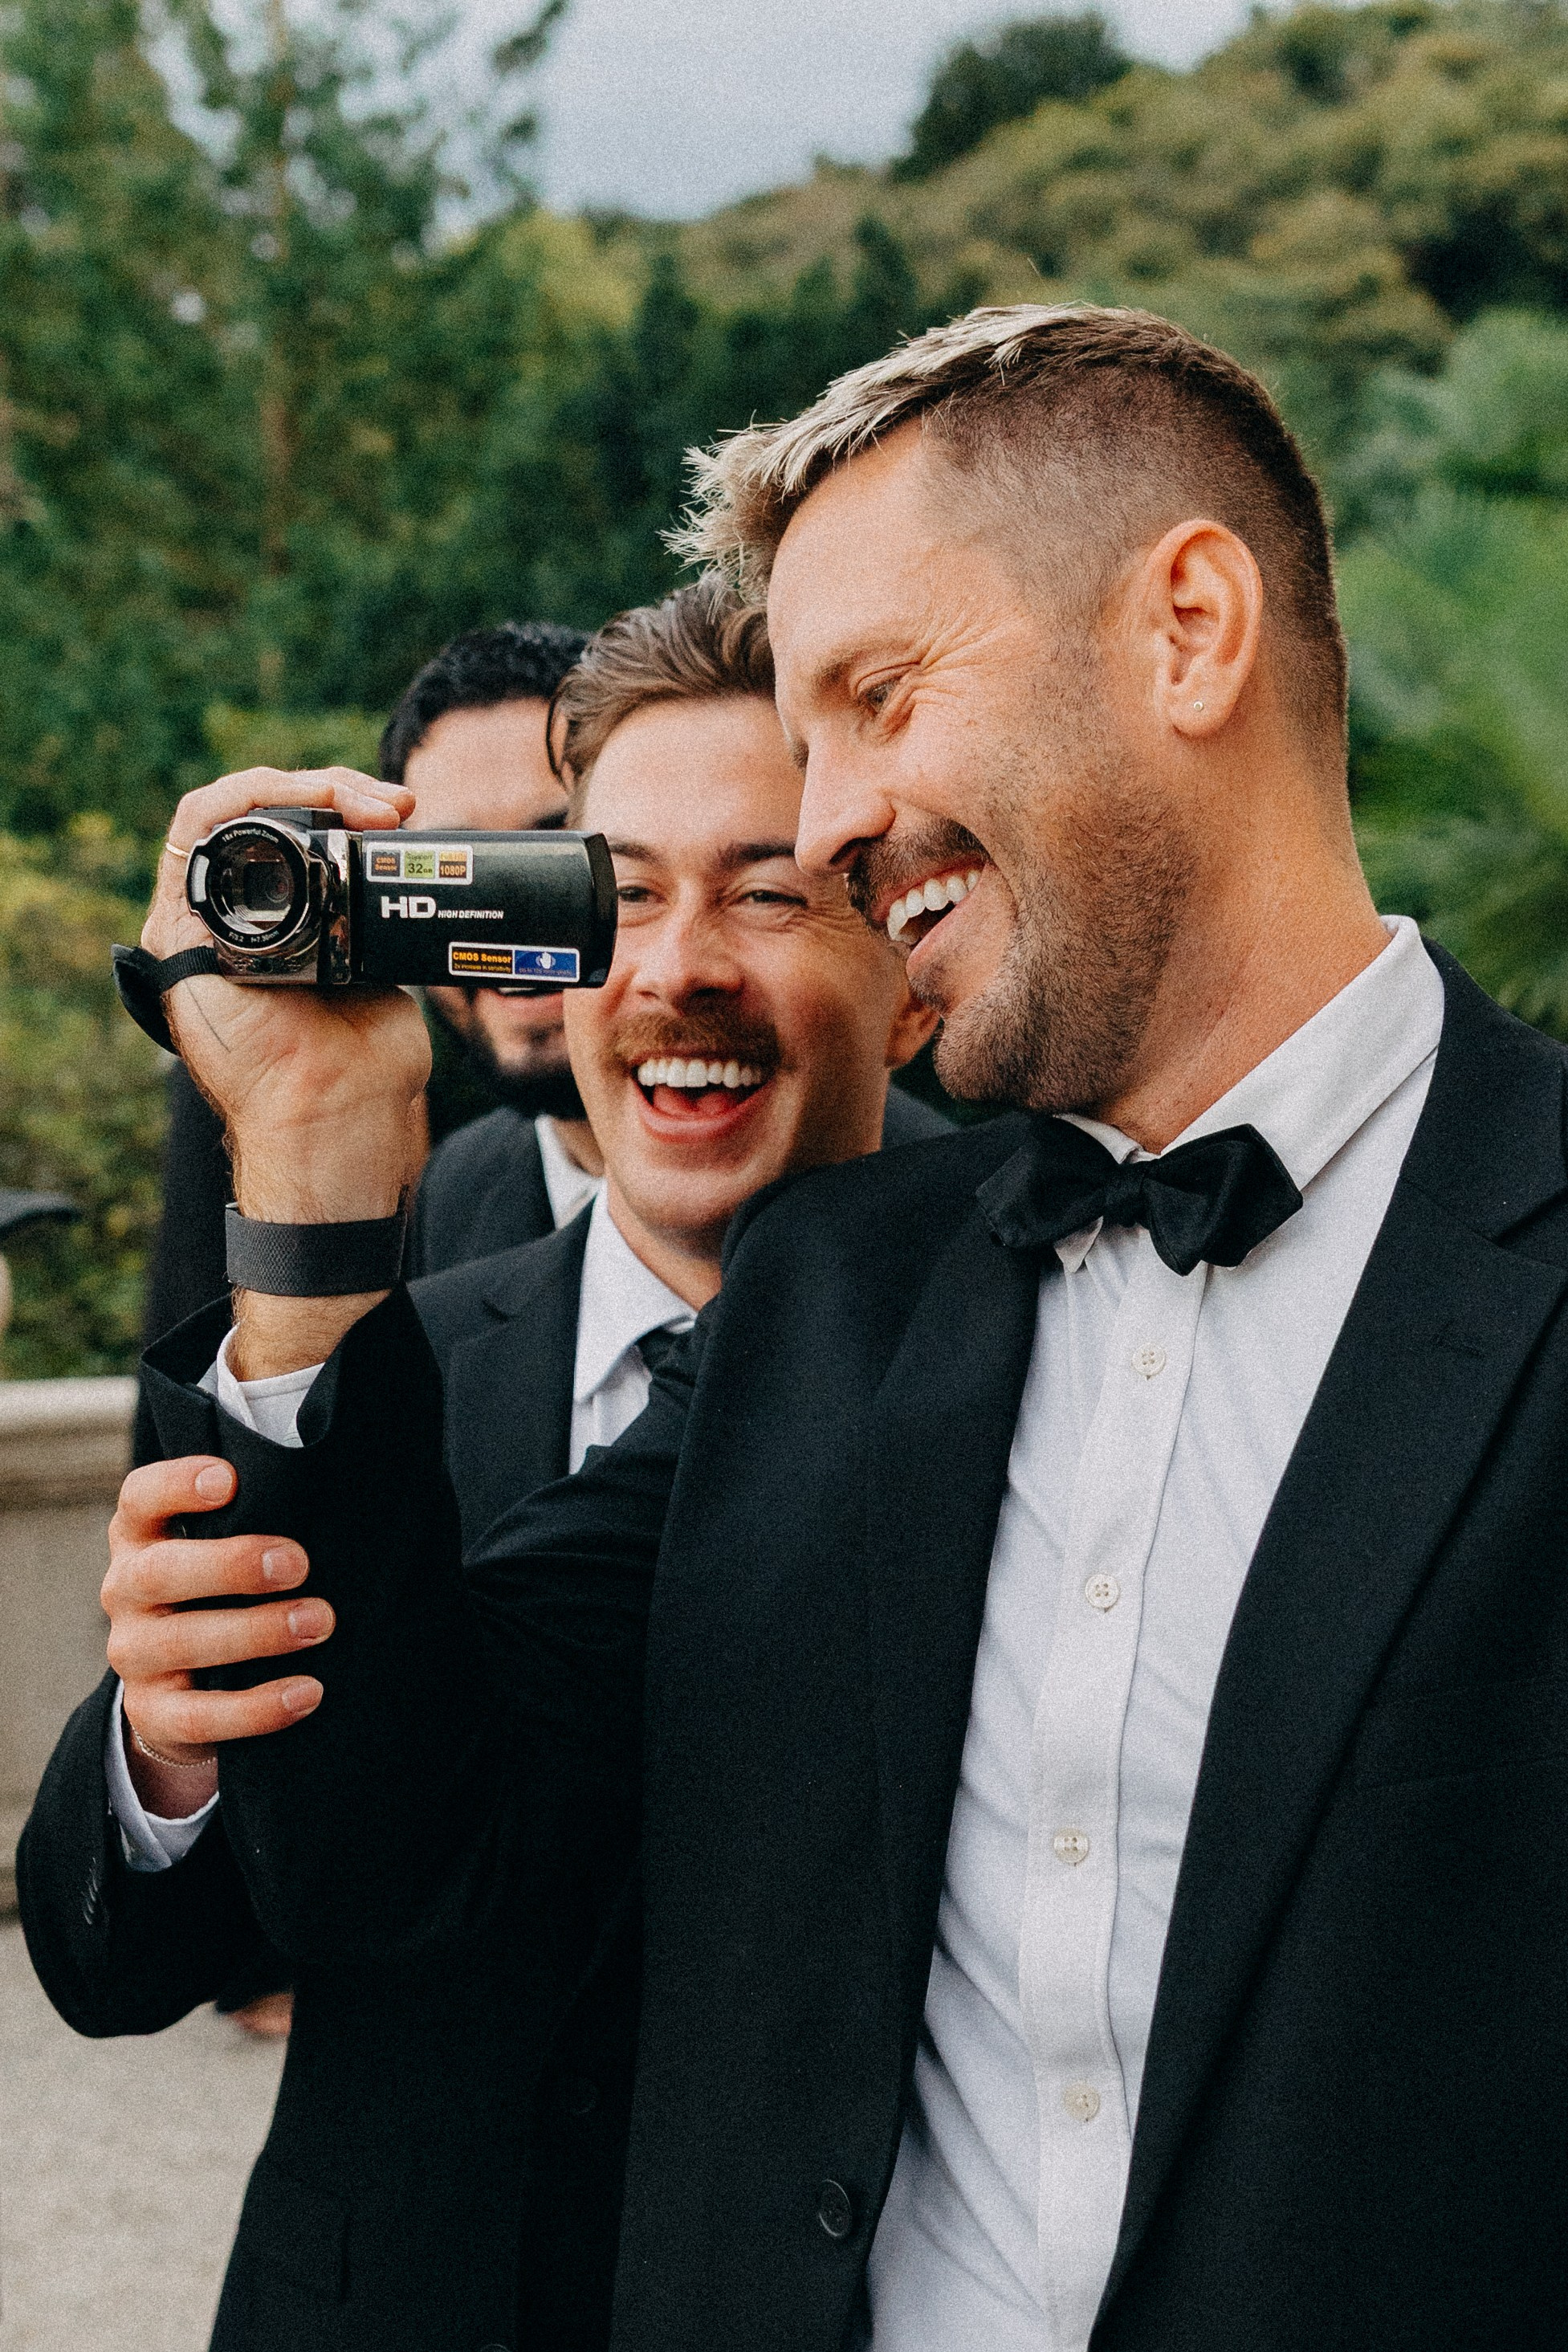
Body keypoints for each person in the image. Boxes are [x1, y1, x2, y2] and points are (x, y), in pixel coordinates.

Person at [49, 303, 1568, 2351]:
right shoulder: (843, 1300)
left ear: (1188, 627)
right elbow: (413, 1838)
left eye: (874, 697)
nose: (841, 821)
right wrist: (318, 1151)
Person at [18, 583, 938, 2352]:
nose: (676, 968)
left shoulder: (1023, 1315)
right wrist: (161, 1745)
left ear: (908, 968)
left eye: (766, 890)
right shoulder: (368, 1328)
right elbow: (114, 1956)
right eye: (616, 896)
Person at [141, 618, 592, 1341]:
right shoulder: (462, 1190)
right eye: (454, 872)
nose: (505, 925)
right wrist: (280, 1112)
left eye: (546, 865)